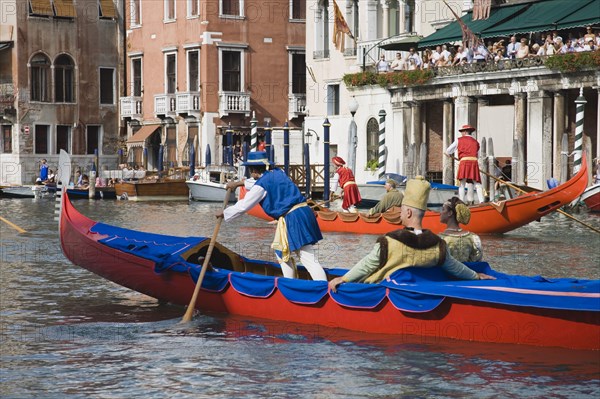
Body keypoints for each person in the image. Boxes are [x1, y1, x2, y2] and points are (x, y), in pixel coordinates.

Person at [328, 176, 494, 292]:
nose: (399, 214)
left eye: (401, 211)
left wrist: (343, 279)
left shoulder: (389, 242)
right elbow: (455, 267)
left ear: (407, 214)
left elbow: (368, 264)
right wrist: (476, 276)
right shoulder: (438, 246)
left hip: (382, 294)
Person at [216, 151, 327, 281]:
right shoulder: (278, 173)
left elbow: (244, 205)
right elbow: (257, 183)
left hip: (293, 218)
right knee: (282, 251)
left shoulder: (261, 185)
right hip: (303, 212)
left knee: (306, 255)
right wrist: (237, 184)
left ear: (252, 170)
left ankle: (322, 287)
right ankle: (289, 282)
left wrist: (224, 213)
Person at [446, 124, 485, 205]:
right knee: (477, 183)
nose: (461, 133)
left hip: (464, 162)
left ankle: (461, 202)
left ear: (465, 132)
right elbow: (478, 155)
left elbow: (448, 150)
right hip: (474, 163)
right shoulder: (476, 142)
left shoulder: (459, 140)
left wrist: (449, 154)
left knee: (462, 183)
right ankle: (482, 201)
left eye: (462, 131)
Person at [438, 197, 483, 263]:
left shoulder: (440, 239)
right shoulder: (473, 238)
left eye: (443, 209)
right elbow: (477, 261)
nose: (440, 213)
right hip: (468, 273)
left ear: (450, 213)